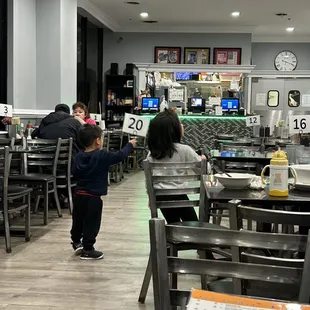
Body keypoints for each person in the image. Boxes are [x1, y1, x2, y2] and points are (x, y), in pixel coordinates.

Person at [70, 124, 136, 260]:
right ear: (98, 140)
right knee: (91, 223)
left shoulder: (78, 157)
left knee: (78, 220)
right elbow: (120, 155)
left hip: (78, 194)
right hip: (93, 197)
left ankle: (77, 242)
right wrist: (130, 145)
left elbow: (74, 172)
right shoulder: (102, 155)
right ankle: (88, 249)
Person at [146, 109, 206, 224]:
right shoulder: (185, 150)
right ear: (173, 130)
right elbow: (203, 171)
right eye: (180, 123)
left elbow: (149, 179)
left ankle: (173, 239)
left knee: (173, 223)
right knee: (193, 223)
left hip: (160, 196)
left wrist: (150, 196)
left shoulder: (152, 153)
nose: (182, 125)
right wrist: (203, 160)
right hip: (180, 196)